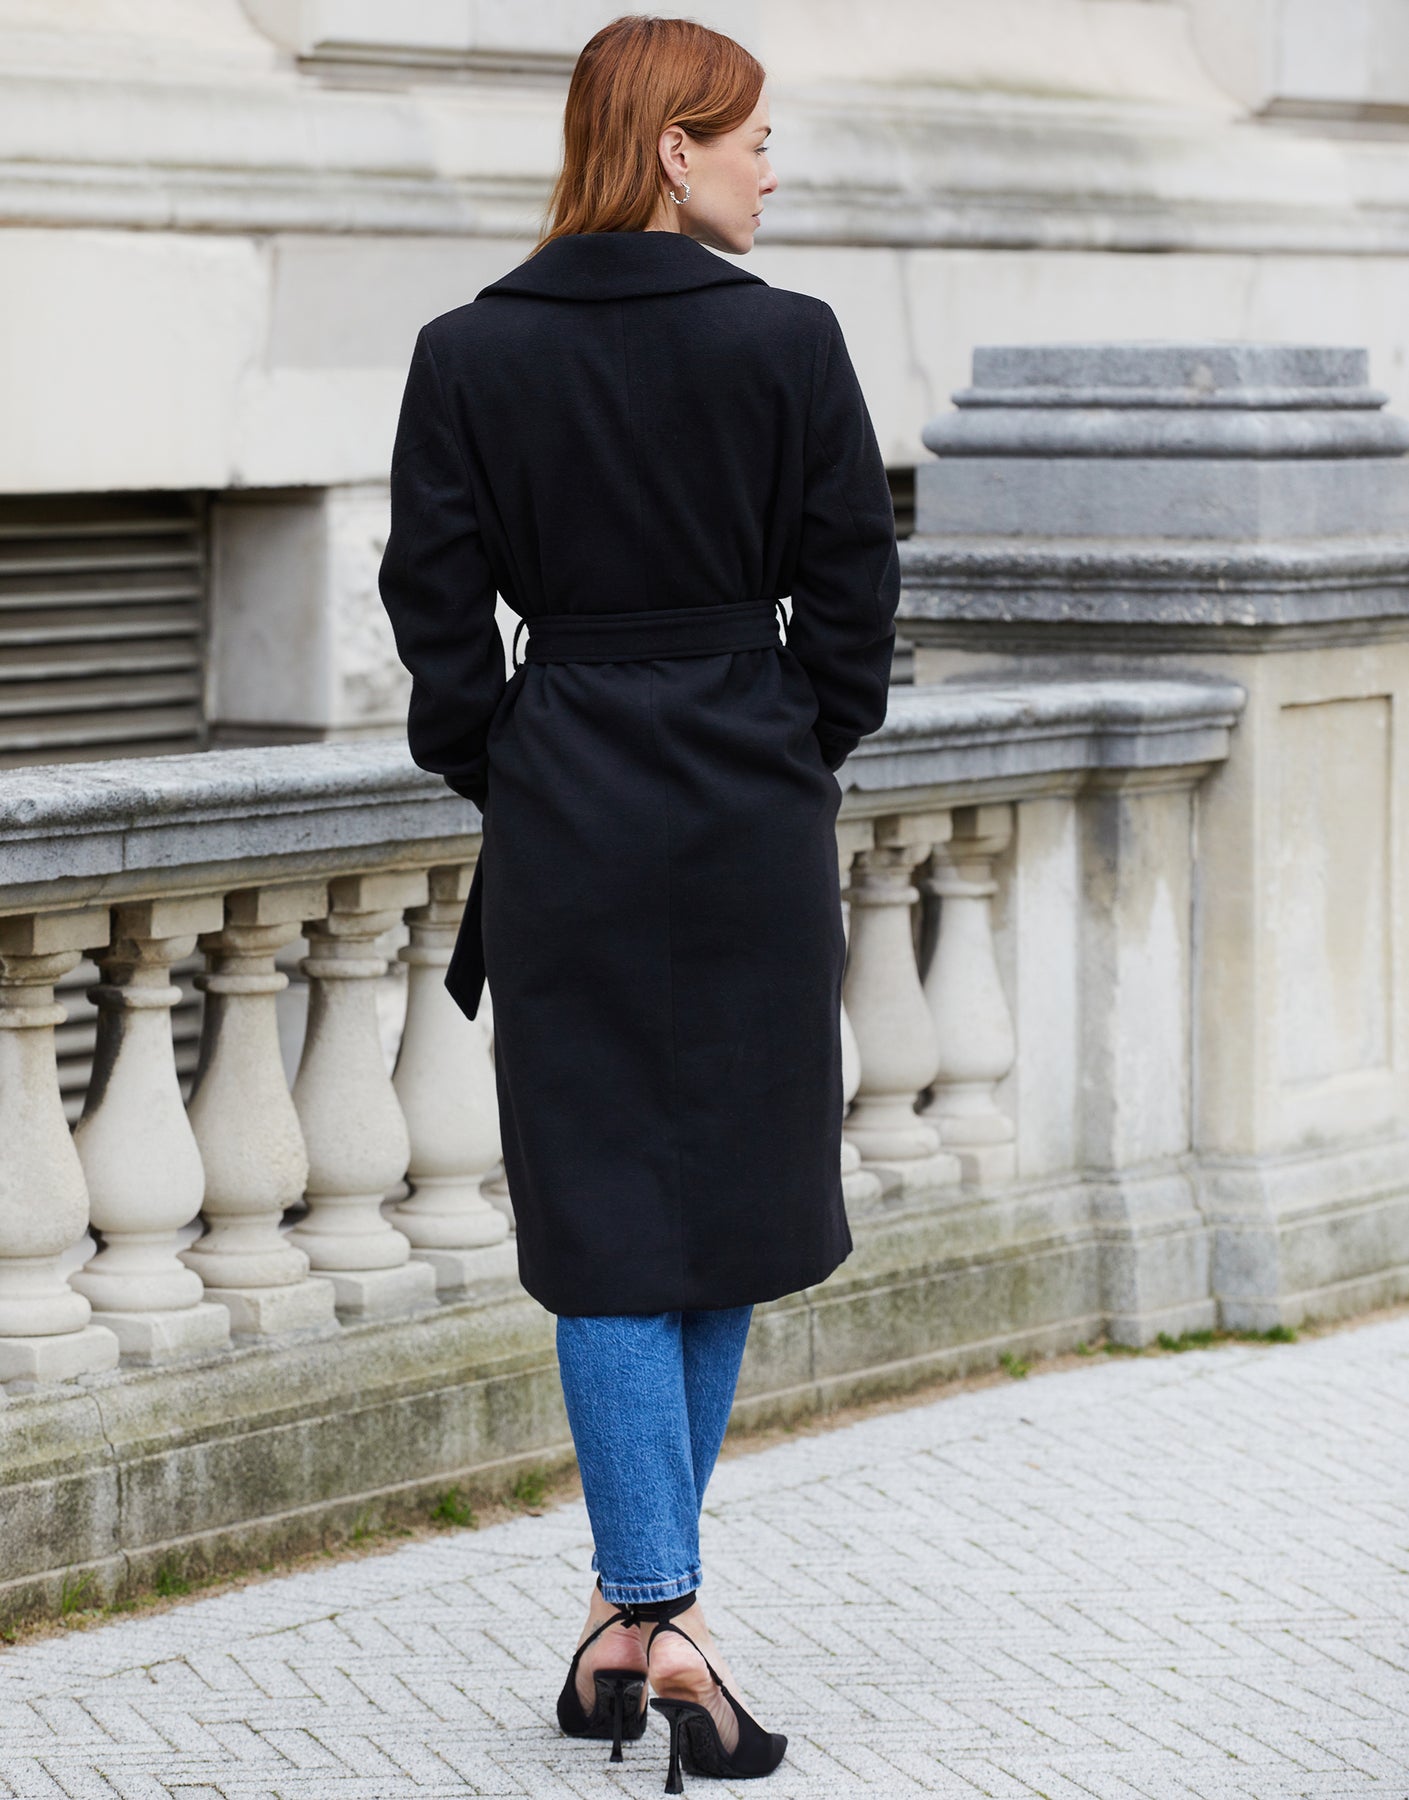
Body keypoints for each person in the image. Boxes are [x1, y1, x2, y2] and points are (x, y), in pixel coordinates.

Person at [377, 13, 899, 1791]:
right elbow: (853, 596)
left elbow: (434, 616)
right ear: (672, 148)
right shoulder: (790, 341)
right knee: (727, 1204)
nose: (773, 167)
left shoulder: (466, 352)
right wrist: (792, 742)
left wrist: (513, 763)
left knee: (609, 1206)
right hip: (749, 803)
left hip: (571, 806)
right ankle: (667, 1617)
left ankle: (631, 1617)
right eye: (751, 136)